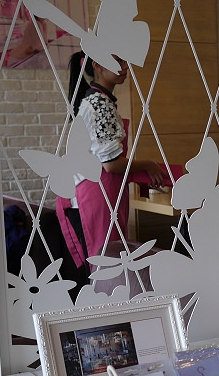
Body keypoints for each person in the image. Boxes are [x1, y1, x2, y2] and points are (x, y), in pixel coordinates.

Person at [58, 50, 165, 267]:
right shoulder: (99, 104)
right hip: (95, 195)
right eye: (117, 61)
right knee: (105, 267)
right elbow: (111, 164)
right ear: (97, 65)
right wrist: (148, 164)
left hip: (100, 193)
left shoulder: (98, 101)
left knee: (108, 264)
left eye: (124, 60)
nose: (125, 66)